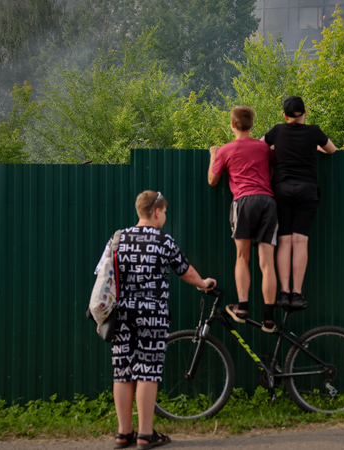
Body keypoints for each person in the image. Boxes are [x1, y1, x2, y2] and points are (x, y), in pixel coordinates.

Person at [98, 190, 216, 450]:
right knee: (147, 371)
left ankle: (123, 433)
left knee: (122, 372)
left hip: (121, 316)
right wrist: (204, 283)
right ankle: (145, 434)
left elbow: (102, 273)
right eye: (164, 212)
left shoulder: (118, 238)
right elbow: (185, 271)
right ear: (157, 211)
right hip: (152, 315)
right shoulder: (163, 240)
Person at [262, 96, 338, 310]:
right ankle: (297, 293)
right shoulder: (314, 132)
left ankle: (284, 292)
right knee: (300, 242)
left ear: (284, 116)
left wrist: (277, 148)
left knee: (284, 241)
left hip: (282, 190)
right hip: (307, 189)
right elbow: (332, 149)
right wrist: (315, 148)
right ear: (305, 112)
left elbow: (260, 147)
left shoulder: (277, 131)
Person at [207, 105, 279, 332]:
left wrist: (213, 156)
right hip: (268, 202)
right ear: (252, 125)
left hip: (244, 202)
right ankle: (269, 318)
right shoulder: (264, 148)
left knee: (242, 257)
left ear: (232, 124)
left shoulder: (226, 150)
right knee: (267, 262)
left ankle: (243, 307)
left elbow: (212, 180)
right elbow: (275, 168)